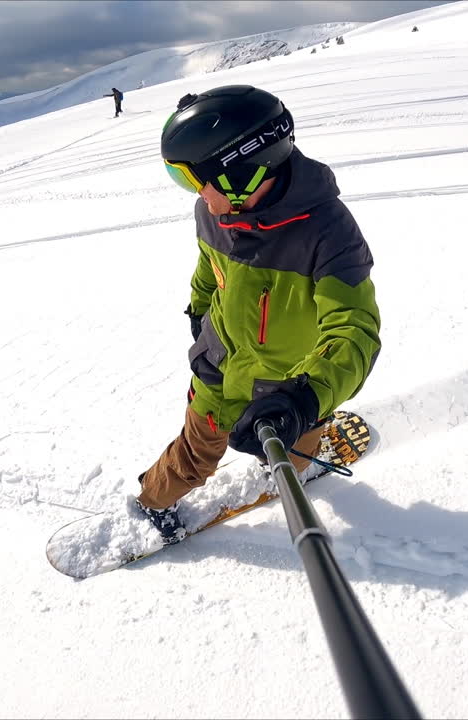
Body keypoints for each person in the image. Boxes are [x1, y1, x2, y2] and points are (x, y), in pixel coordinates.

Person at [139, 85, 381, 543]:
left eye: (194, 179)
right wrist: (198, 308)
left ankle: (298, 459)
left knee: (296, 437)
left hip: (288, 382)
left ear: (239, 174)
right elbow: (207, 266)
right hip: (220, 367)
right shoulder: (213, 213)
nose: (195, 195)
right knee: (195, 449)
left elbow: (355, 332)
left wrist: (305, 399)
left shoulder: (330, 235)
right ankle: (152, 503)